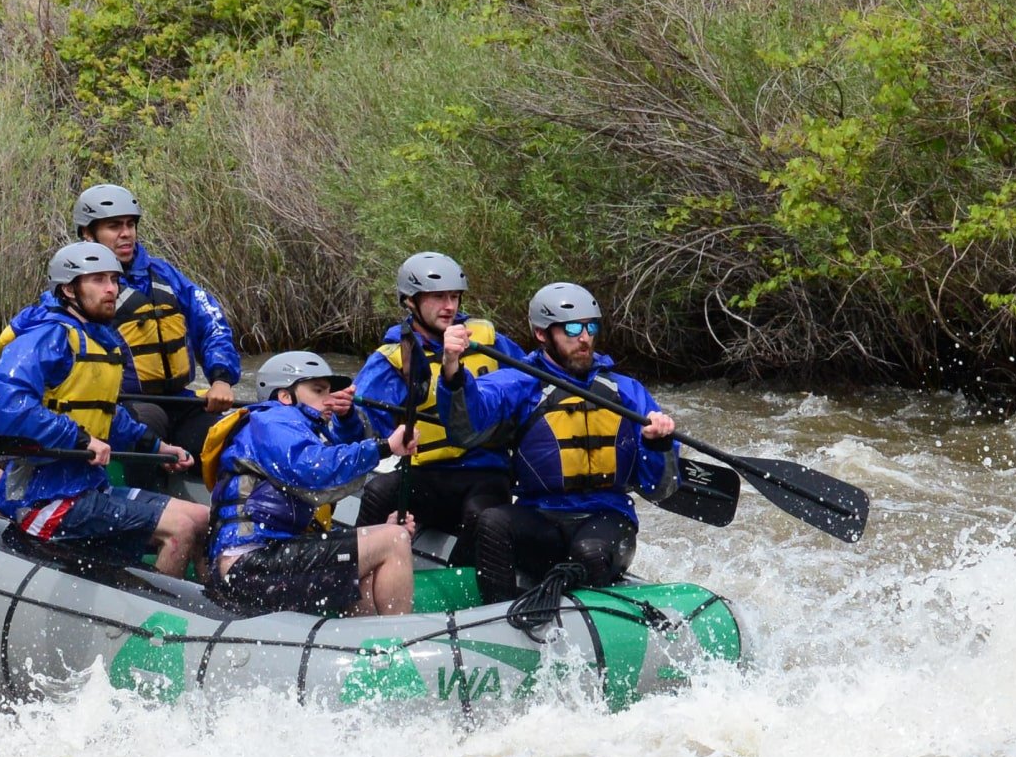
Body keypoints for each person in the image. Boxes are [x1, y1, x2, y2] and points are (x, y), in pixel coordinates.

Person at [0, 242, 208, 577]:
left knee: (200, 517)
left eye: (114, 280)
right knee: (178, 528)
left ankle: (212, 608)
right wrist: (80, 440)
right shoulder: (46, 336)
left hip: (88, 488)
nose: (111, 289)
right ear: (68, 289)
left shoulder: (98, 339)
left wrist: (157, 446)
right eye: (98, 280)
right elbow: (10, 408)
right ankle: (162, 621)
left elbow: (106, 414)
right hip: (44, 500)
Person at [454, 283, 681, 603]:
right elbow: (466, 425)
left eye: (591, 327)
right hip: (542, 520)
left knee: (588, 552)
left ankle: (599, 626)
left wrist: (659, 446)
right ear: (542, 334)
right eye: (572, 329)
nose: (584, 337)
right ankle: (498, 618)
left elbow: (661, 489)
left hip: (607, 522)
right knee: (492, 522)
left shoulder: (626, 391)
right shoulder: (521, 383)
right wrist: (453, 371)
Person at [200, 352, 419, 617]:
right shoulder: (272, 421)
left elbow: (340, 453)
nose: (329, 399)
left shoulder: (301, 430)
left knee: (375, 567)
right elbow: (315, 469)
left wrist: (348, 418)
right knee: (393, 539)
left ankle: (371, 648)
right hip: (249, 565)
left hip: (268, 559)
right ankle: (401, 645)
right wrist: (385, 448)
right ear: (284, 396)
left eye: (329, 391)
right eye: (318, 390)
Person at [346, 251, 530, 565]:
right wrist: (344, 416)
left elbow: (530, 384)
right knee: (378, 491)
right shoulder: (391, 360)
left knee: (481, 516)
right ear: (410, 301)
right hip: (427, 475)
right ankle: (353, 577)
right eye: (437, 297)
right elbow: (360, 431)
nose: (449, 306)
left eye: (454, 297)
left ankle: (465, 594)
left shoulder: (486, 340)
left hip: (486, 473)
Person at [70, 184, 242, 459]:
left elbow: (211, 322)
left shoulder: (164, 274)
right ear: (88, 234)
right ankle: (139, 495)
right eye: (114, 226)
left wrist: (221, 378)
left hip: (177, 399)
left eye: (130, 224)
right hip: (121, 405)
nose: (126, 234)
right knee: (146, 425)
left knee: (231, 436)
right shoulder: (75, 286)